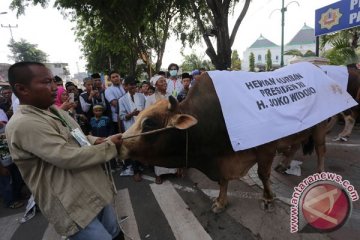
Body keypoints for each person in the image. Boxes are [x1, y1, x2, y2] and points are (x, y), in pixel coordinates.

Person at [5, 62, 124, 240]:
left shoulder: (53, 110)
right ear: (22, 89)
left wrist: (95, 140)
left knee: (115, 233)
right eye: (46, 82)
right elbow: (66, 156)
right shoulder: (24, 123)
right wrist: (110, 146)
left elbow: (75, 137)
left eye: (54, 81)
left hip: (92, 189)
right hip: (71, 203)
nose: (55, 88)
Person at [147, 75, 178, 184]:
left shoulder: (171, 96)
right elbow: (148, 114)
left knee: (171, 148)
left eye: (165, 81)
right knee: (158, 150)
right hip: (158, 128)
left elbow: (176, 109)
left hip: (170, 126)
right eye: (161, 82)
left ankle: (173, 170)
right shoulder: (150, 98)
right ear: (155, 85)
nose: (164, 83)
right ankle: (158, 174)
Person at [119, 76, 146, 182]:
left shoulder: (141, 96)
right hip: (130, 128)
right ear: (126, 86)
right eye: (131, 84)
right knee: (133, 149)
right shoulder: (122, 100)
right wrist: (132, 114)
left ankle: (141, 166)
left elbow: (145, 110)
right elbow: (122, 116)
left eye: (135, 84)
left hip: (141, 127)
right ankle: (136, 172)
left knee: (141, 147)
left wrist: (141, 113)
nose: (133, 86)